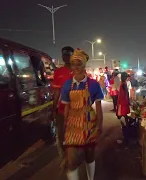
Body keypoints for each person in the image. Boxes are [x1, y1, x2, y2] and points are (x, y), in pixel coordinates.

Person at [61, 49, 103, 180]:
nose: (76, 67)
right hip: (72, 124)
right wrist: (65, 126)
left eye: (79, 64)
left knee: (89, 156)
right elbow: (66, 107)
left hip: (89, 123)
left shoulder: (93, 84)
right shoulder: (67, 84)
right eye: (73, 64)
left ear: (84, 65)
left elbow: (99, 109)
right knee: (71, 161)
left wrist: (99, 128)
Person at [52, 46, 74, 166]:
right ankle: (66, 158)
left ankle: (74, 156)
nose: (65, 57)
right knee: (61, 136)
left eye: (68, 54)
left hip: (77, 110)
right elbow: (56, 93)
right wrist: (53, 109)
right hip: (61, 110)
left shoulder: (79, 71)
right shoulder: (58, 72)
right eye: (63, 55)